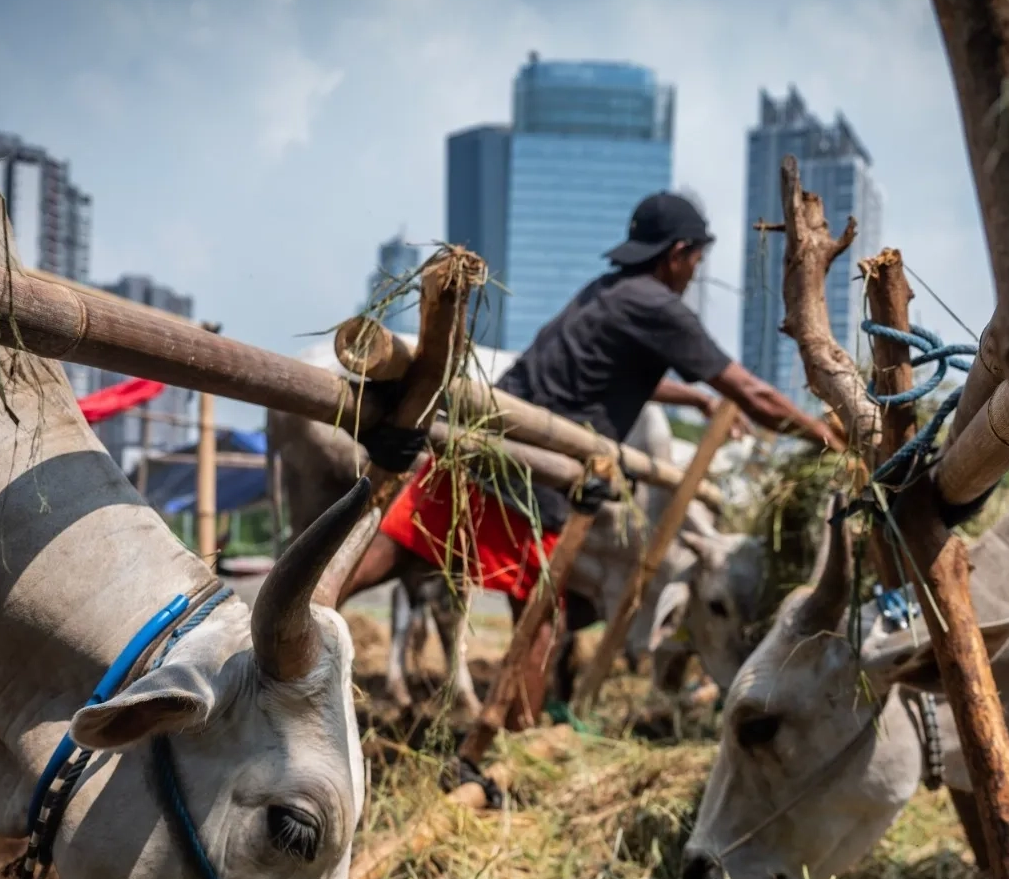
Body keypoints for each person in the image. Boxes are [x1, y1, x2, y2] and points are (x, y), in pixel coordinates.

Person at [339, 191, 835, 614]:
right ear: (677, 254)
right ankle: (522, 723)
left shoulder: (609, 291)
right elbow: (752, 394)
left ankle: (309, 610)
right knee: (538, 613)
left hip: (493, 440)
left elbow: (614, 377)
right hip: (536, 463)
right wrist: (826, 436)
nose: (693, 273)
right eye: (695, 261)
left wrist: (696, 400)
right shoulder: (658, 306)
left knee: (399, 548)